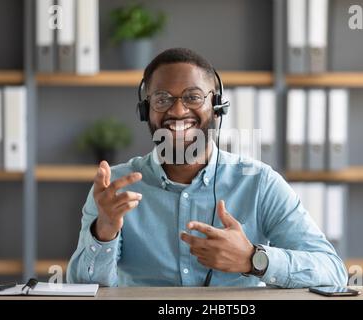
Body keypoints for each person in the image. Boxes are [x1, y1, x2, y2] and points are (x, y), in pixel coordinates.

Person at [67, 48, 348, 287]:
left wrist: (253, 259)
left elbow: (333, 272)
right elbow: (81, 289)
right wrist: (104, 231)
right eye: (162, 99)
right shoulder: (114, 188)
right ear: (146, 110)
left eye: (192, 97)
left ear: (217, 106)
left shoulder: (259, 182)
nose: (177, 111)